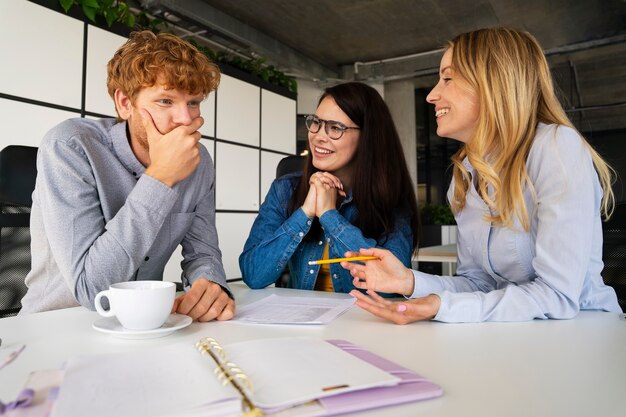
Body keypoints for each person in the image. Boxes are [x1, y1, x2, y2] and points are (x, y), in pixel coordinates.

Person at [342, 27, 622, 323]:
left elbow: (556, 295)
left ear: (493, 84)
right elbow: (479, 286)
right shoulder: (465, 175)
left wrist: (441, 306)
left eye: (447, 78)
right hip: (514, 336)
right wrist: (409, 282)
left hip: (585, 333)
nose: (432, 95)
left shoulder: (555, 147)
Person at [20, 31, 234, 321]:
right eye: (165, 101)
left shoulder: (199, 161)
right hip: (57, 327)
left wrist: (210, 285)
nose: (185, 118)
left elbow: (203, 253)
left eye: (193, 102)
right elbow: (92, 291)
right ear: (124, 103)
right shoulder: (69, 147)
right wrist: (161, 178)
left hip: (141, 325)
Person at [240, 82, 419, 293]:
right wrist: (305, 212)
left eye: (335, 128)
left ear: (367, 138)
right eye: (316, 122)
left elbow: (391, 283)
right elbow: (253, 274)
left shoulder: (391, 197)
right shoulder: (285, 189)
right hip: (302, 320)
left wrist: (329, 216)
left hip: (364, 322)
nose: (318, 136)